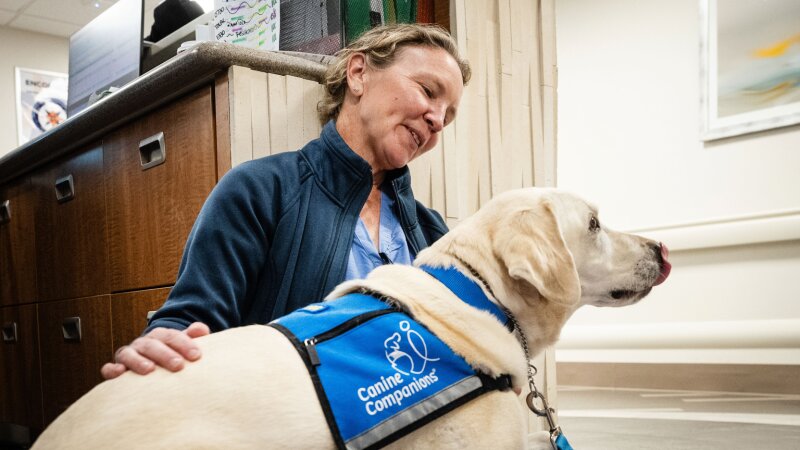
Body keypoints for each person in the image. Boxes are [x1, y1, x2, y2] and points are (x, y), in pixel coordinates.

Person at [101, 23, 471, 380]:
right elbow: (191, 320)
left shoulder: (429, 230)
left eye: (448, 116)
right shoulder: (260, 190)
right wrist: (161, 343)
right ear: (359, 73)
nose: (437, 120)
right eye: (427, 90)